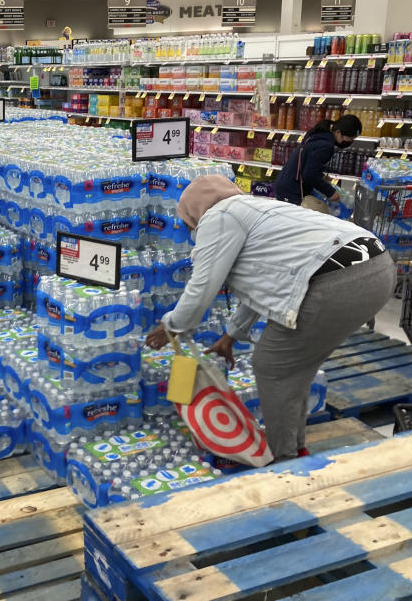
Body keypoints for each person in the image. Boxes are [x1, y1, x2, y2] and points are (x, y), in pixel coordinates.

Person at [145, 175, 395, 462]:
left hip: (335, 280)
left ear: (194, 211)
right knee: (298, 366)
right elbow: (265, 283)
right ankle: (295, 448)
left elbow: (203, 286)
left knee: (271, 366)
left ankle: (284, 459)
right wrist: (231, 335)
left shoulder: (220, 216)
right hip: (377, 268)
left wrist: (173, 326)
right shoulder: (261, 209)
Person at [274, 115, 363, 208]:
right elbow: (308, 174)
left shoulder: (318, 135)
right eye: (350, 138)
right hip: (292, 190)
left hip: (285, 184)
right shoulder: (326, 146)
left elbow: (307, 162)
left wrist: (321, 176)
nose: (350, 141)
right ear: (338, 132)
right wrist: (331, 192)